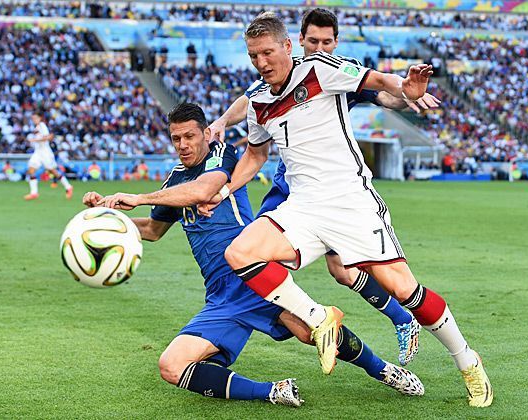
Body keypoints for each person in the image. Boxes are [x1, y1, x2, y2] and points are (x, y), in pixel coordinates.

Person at [206, 13, 492, 407]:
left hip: (349, 201)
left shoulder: (320, 69)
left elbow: (377, 82)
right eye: (254, 55)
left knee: (404, 289)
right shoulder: (258, 100)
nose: (261, 62)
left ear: (288, 47)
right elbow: (256, 155)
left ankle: (467, 361)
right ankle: (319, 317)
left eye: (268, 52)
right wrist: (224, 190)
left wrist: (404, 87)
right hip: (303, 205)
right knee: (240, 253)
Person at [82, 102, 424, 407]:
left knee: (315, 334)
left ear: (205, 133)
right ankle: (272, 391)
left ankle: (385, 372)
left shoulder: (222, 156)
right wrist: (107, 216)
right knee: (171, 367)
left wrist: (140, 197)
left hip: (254, 277)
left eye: (189, 136)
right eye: (176, 139)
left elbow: (204, 189)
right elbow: (152, 232)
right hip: (220, 297)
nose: (183, 145)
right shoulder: (173, 183)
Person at [23, 111, 73, 200]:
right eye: (33, 118)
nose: (34, 120)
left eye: (35, 118)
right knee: (31, 169)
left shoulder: (42, 126)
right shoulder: (37, 127)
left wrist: (35, 140)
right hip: (38, 152)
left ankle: (68, 187)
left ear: (40, 118)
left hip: (45, 152)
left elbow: (49, 137)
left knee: (53, 171)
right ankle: (34, 193)